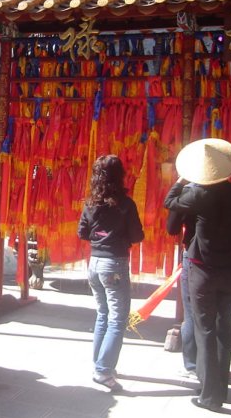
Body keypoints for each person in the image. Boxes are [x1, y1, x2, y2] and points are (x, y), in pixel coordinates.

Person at [164, 138, 231, 412]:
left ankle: (210, 395)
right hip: (230, 269)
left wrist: (180, 180)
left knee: (205, 328)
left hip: (203, 268)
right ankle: (220, 386)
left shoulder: (198, 193)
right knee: (225, 328)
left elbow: (169, 202)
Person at [78, 154, 144, 393]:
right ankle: (104, 370)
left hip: (94, 263)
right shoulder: (126, 204)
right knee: (118, 318)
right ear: (120, 176)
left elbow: (82, 233)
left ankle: (100, 364)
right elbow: (138, 236)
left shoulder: (90, 203)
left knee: (103, 314)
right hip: (114, 264)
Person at [166, 206, 198, 381]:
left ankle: (192, 365)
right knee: (218, 317)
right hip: (224, 260)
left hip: (194, 257)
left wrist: (178, 187)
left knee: (191, 314)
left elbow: (172, 227)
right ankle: (213, 365)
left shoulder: (189, 196)